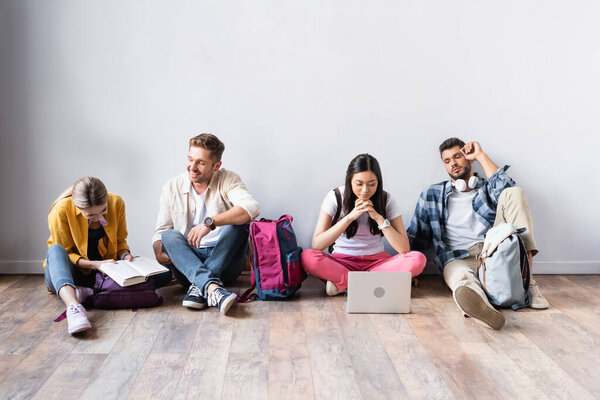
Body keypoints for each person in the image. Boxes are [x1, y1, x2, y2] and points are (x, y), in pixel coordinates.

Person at [407, 138, 549, 330]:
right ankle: (482, 309)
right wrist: (409, 271)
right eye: (447, 161)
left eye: (457, 156)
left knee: (514, 193)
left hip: (493, 252)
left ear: (468, 158)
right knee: (461, 280)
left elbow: (505, 188)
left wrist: (481, 156)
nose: (453, 163)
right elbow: (417, 236)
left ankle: (529, 283)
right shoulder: (432, 194)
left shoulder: (486, 188)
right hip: (456, 258)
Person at [44, 176, 170, 334]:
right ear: (77, 207)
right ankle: (73, 306)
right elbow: (66, 253)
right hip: (69, 273)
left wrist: (125, 256)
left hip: (103, 273)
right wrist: (94, 264)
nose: (98, 218)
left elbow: (120, 241)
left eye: (103, 211)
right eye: (90, 215)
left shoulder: (116, 202)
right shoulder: (61, 210)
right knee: (55, 250)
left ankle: (87, 293)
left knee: (165, 274)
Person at [152, 133, 259, 315]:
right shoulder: (171, 187)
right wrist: (158, 249)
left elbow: (251, 207)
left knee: (240, 223)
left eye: (200, 163)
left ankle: (200, 286)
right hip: (188, 263)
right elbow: (161, 231)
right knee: (169, 236)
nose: (192, 167)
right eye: (190, 159)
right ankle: (212, 289)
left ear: (216, 166)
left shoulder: (229, 179)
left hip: (225, 262)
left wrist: (210, 222)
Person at [301, 154, 427, 295]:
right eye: (359, 184)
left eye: (372, 184)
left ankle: (345, 285)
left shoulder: (387, 200)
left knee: (418, 259)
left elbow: (404, 248)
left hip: (377, 263)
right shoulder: (335, 197)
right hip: (342, 262)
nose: (365, 190)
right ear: (350, 180)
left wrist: (378, 218)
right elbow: (317, 245)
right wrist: (350, 217)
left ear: (378, 182)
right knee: (307, 257)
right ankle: (372, 284)